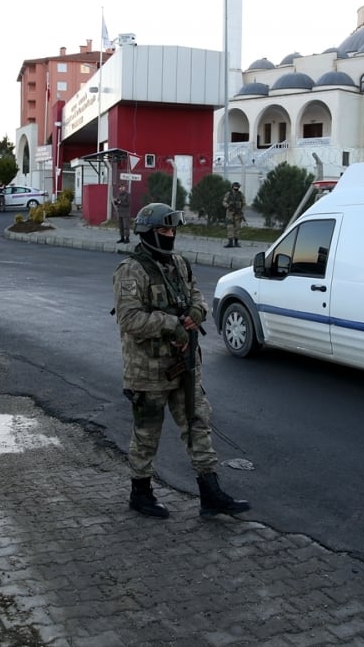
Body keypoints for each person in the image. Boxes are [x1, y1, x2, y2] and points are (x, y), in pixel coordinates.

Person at [112, 203, 251, 519]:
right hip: (147, 371)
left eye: (172, 230)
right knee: (147, 433)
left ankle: (210, 492)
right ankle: (141, 493)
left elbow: (197, 297)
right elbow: (129, 319)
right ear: (148, 232)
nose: (170, 235)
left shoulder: (179, 264)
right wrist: (171, 324)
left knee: (197, 423)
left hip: (185, 364)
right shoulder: (130, 270)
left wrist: (196, 313)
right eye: (163, 230)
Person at [222, 181, 245, 248]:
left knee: (237, 227)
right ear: (232, 187)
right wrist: (228, 206)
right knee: (230, 227)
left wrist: (242, 211)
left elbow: (244, 203)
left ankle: (236, 242)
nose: (236, 188)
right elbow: (224, 202)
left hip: (238, 214)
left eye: (237, 187)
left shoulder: (240, 195)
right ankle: (230, 242)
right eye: (235, 186)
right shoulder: (228, 194)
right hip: (230, 213)